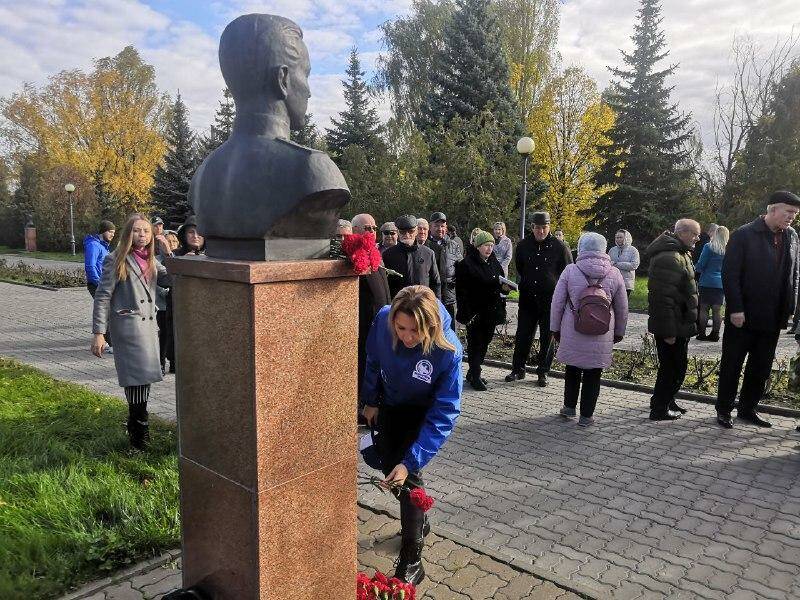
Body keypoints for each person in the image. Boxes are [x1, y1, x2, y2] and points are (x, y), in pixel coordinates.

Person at [361, 285, 462, 585]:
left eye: (415, 331)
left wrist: (411, 461)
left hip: (423, 412)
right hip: (391, 403)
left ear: (431, 325)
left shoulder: (448, 351)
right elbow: (373, 359)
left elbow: (445, 412)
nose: (406, 337)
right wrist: (370, 400)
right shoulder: (383, 320)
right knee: (386, 464)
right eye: (401, 328)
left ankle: (412, 559)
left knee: (406, 475)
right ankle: (419, 519)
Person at [716, 192, 800, 429]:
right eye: (789, 212)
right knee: (732, 364)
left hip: (773, 317)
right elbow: (730, 274)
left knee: (760, 367)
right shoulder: (744, 234)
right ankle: (724, 409)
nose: (792, 217)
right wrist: (735, 308)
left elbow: (793, 274)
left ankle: (747, 409)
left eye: (795, 214)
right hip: (743, 315)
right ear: (772, 209)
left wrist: (790, 307)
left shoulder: (792, 236)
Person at [90, 214, 171, 449]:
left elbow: (172, 280)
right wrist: (99, 333)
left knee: (143, 381)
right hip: (128, 330)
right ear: (128, 233)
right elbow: (102, 296)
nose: (142, 235)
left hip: (149, 329)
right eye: (137, 230)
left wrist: (168, 253)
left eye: (146, 231)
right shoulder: (116, 259)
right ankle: (139, 437)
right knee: (136, 381)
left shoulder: (152, 260)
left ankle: (137, 429)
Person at [550, 233, 628, 426]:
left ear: (581, 247)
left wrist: (555, 328)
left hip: (573, 329)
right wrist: (619, 332)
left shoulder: (570, 270)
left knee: (572, 369)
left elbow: (557, 303)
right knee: (594, 374)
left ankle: (569, 407)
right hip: (602, 331)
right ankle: (586, 416)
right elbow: (622, 307)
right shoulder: (614, 273)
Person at [506, 211, 572, 387]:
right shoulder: (523, 245)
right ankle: (518, 369)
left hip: (550, 300)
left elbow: (567, 272)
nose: (541, 231)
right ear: (532, 227)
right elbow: (520, 267)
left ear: (549, 227)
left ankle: (543, 372)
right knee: (523, 335)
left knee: (547, 337)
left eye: (544, 227)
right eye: (537, 228)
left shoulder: (560, 247)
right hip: (528, 299)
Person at [646, 219, 700, 421]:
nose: (697, 238)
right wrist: (668, 332)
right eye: (694, 234)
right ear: (682, 233)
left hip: (680, 323)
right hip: (671, 326)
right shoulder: (669, 257)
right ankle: (659, 409)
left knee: (676, 367)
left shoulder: (680, 252)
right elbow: (662, 299)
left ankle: (666, 400)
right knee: (672, 368)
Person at [455, 229, 507, 391]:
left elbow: (499, 282)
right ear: (478, 246)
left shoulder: (493, 262)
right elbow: (461, 292)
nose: (489, 249)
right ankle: (475, 375)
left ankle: (472, 372)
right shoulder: (466, 264)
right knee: (475, 345)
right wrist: (466, 314)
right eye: (486, 245)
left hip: (491, 311)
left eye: (491, 245)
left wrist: (505, 288)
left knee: (485, 343)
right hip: (475, 313)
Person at [383, 215, 441, 300]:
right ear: (398, 232)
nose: (407, 235)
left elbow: (435, 283)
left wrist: (437, 304)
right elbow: (385, 286)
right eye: (403, 232)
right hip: (399, 303)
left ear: (416, 231)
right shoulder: (388, 255)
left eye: (411, 231)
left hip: (423, 303)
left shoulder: (428, 253)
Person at [426, 212, 462, 328]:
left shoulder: (453, 245)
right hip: (430, 297)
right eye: (436, 226)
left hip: (449, 297)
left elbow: (461, 268)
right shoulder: (425, 245)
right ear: (430, 227)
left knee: (449, 330)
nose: (440, 229)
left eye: (442, 226)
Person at [694, 226, 729, 342]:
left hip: (707, 281)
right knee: (717, 310)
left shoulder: (709, 247)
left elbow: (701, 264)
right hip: (721, 283)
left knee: (704, 308)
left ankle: (702, 334)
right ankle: (715, 334)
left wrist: (696, 270)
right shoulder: (729, 249)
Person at [84, 220, 116, 297]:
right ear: (103, 231)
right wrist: (99, 283)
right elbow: (90, 266)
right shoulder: (93, 245)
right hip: (97, 284)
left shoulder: (103, 246)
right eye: (110, 232)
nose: (112, 235)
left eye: (113, 233)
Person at [608, 229, 640, 299]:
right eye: (617, 237)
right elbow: (608, 263)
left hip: (626, 283)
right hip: (613, 282)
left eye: (621, 237)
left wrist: (616, 264)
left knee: (623, 303)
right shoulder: (612, 250)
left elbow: (634, 265)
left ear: (626, 238)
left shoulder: (633, 250)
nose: (618, 239)